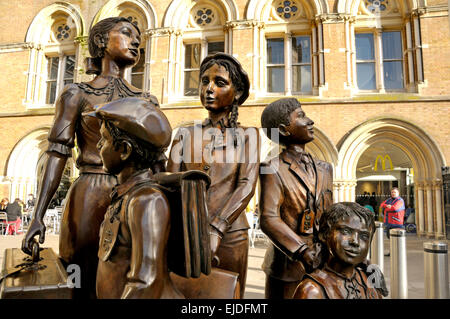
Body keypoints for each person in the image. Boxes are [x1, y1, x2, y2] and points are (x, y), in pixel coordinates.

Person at [22, 17, 160, 299]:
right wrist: (37, 216)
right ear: (100, 42)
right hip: (89, 192)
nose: (136, 41)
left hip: (134, 196)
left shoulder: (148, 100)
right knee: (80, 276)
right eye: (126, 33)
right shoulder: (76, 93)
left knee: (130, 276)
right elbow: (57, 152)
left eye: (138, 38)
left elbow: (157, 162)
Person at [167, 53, 260, 298]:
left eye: (220, 83)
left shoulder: (248, 135)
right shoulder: (185, 134)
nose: (209, 88)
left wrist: (217, 228)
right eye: (205, 81)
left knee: (229, 295)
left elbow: (247, 184)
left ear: (237, 93)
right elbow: (169, 183)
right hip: (187, 234)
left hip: (230, 236)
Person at [91, 97, 183, 299]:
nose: (98, 145)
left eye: (104, 139)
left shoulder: (147, 200)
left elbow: (146, 282)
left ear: (124, 150)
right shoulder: (127, 195)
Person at [259, 98, 333, 299]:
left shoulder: (326, 168)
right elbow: (268, 218)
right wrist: (302, 252)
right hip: (287, 268)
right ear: (283, 130)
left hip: (323, 263)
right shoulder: (271, 168)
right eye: (301, 116)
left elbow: (330, 214)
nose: (310, 121)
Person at [293, 202, 384, 299]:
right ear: (324, 234)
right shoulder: (312, 291)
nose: (355, 242)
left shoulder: (368, 281)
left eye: (364, 236)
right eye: (346, 231)